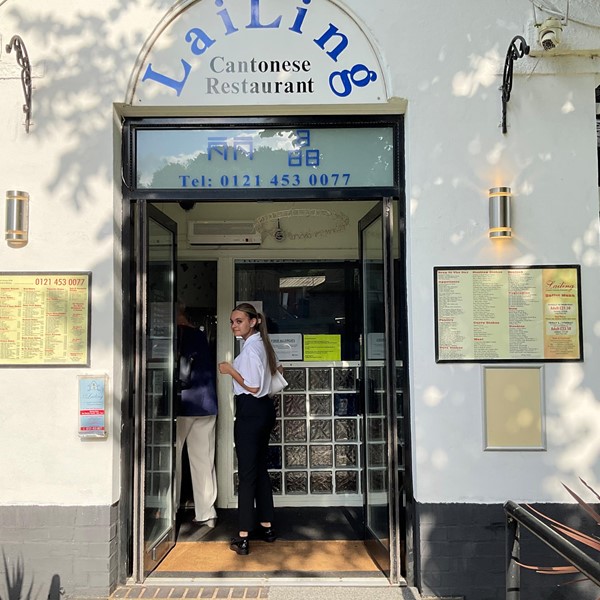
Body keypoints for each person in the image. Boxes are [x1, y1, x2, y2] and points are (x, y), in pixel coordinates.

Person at [218, 302, 280, 555]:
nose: (234, 325)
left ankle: (243, 536)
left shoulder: (252, 349)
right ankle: (266, 526)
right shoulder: (261, 346)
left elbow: (253, 386)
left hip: (251, 410)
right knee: (260, 469)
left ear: (253, 322)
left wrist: (229, 369)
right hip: (263, 410)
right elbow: (277, 373)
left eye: (239, 321)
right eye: (232, 321)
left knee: (247, 473)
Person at [175, 305, 218, 527]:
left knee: (172, 459)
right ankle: (207, 512)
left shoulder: (175, 335)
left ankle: (169, 510)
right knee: (203, 459)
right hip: (206, 404)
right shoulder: (201, 336)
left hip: (182, 404)